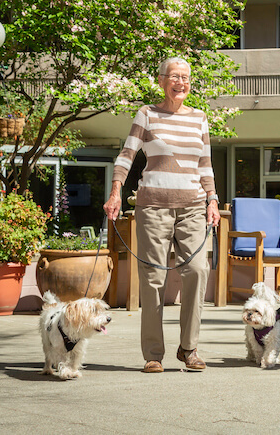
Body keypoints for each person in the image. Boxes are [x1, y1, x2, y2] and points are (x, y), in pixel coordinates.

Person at [103, 57, 220, 373]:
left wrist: (212, 199)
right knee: (153, 278)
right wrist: (116, 191)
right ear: (161, 81)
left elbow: (205, 165)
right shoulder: (147, 114)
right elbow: (126, 156)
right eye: (174, 76)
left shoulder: (199, 118)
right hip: (153, 207)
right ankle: (153, 354)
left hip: (193, 206)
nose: (180, 82)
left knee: (197, 269)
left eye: (185, 77)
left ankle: (189, 348)